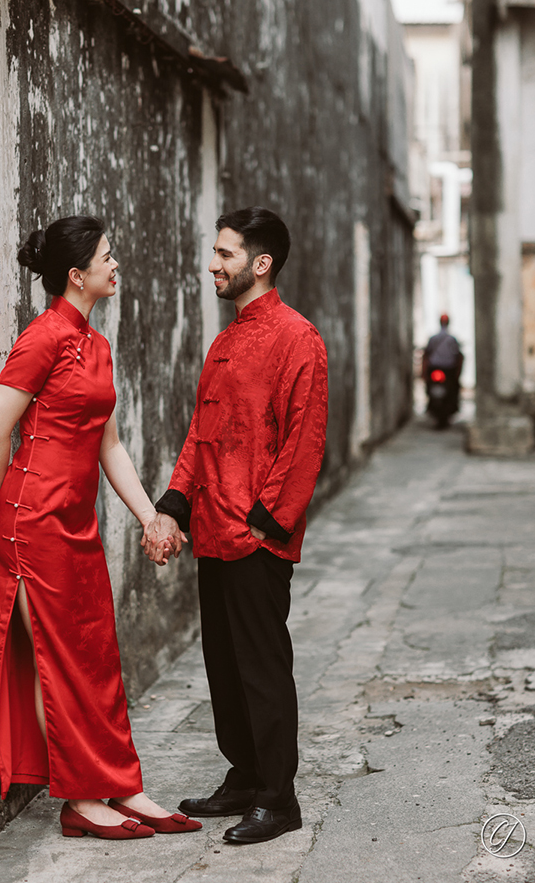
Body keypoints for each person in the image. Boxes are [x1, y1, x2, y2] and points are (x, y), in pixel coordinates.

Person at [0, 215, 202, 841]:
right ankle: (80, 799)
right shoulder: (42, 337)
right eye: (106, 255)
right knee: (64, 661)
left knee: (98, 654)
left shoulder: (97, 348)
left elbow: (109, 447)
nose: (115, 261)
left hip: (75, 523)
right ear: (76, 276)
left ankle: (124, 785)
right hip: (34, 522)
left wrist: (150, 514)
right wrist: (10, 513)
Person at [149, 207, 327, 845]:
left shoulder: (297, 338)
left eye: (224, 254)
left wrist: (264, 523)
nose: (212, 264)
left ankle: (279, 799)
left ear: (261, 263)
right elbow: (202, 433)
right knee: (223, 665)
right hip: (213, 532)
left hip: (256, 537)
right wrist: (174, 503)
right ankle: (247, 774)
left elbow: (303, 443)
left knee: (261, 666)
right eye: (214, 252)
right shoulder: (225, 342)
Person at [421, 314, 463, 423]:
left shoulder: (433, 339)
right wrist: (457, 374)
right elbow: (459, 356)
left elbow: (426, 355)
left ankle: (430, 405)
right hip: (448, 370)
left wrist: (423, 372)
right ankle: (453, 406)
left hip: (434, 368)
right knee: (454, 388)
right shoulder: (452, 339)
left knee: (428, 385)